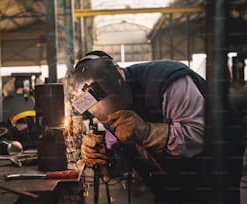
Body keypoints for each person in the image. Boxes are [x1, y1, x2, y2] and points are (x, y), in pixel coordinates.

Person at [71, 50, 246, 203]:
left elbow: (200, 135)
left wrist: (147, 132)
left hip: (217, 160)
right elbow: (125, 160)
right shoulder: (105, 108)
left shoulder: (165, 80)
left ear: (117, 73)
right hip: (169, 175)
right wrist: (104, 157)